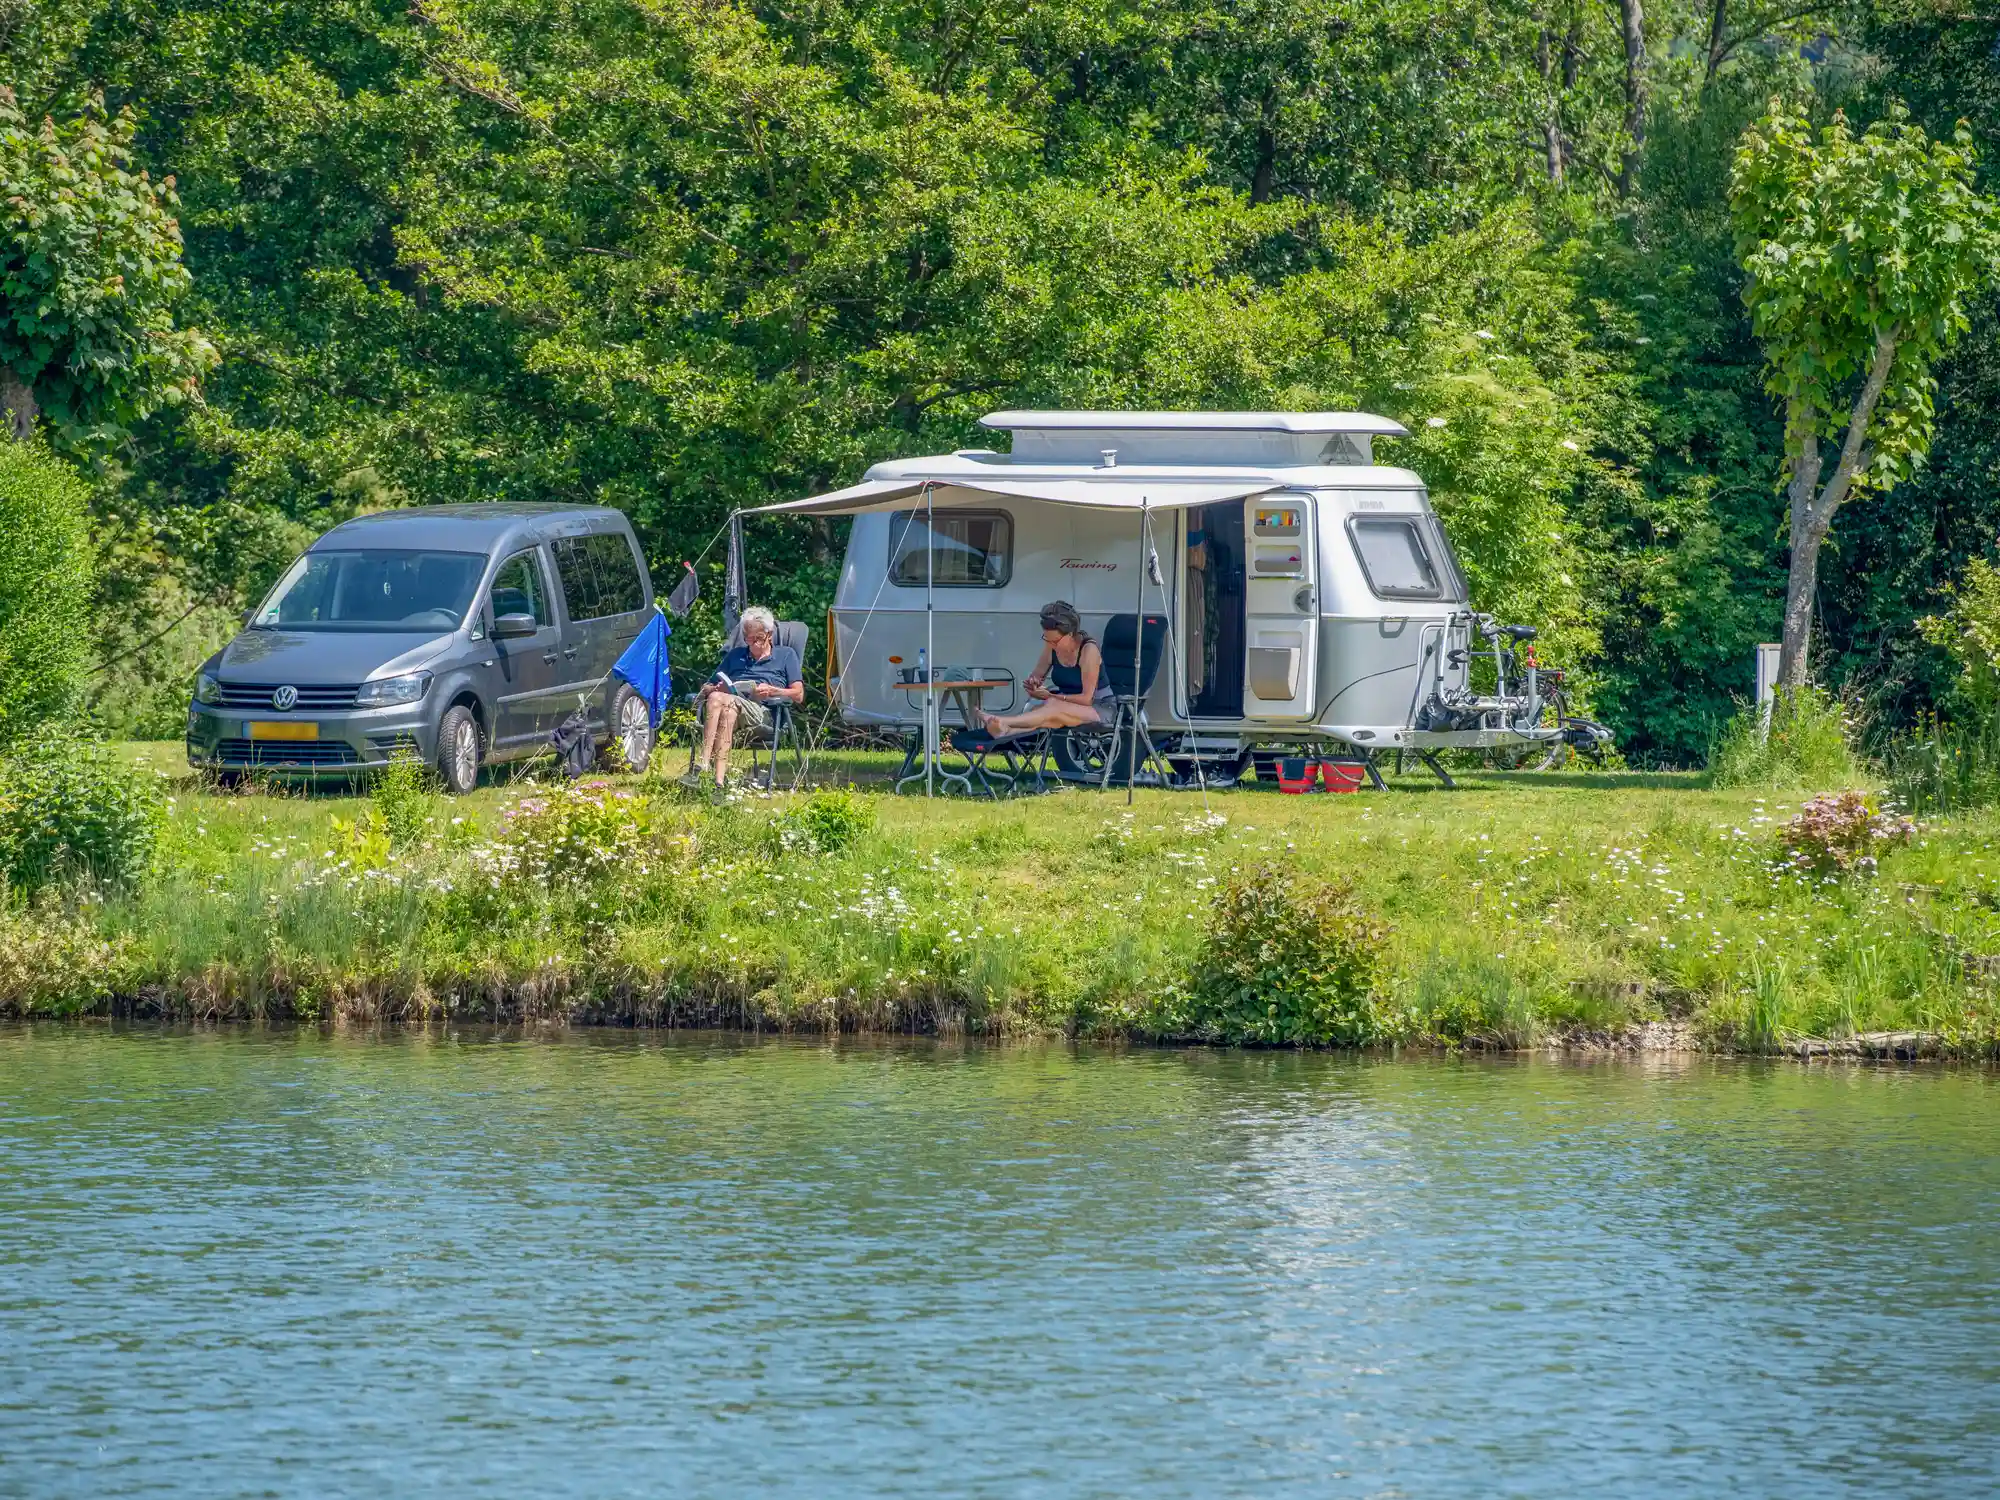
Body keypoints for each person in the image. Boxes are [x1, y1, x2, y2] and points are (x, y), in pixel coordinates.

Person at [683, 607, 803, 788]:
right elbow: (707, 686)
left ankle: (703, 762)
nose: (753, 644)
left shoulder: (786, 655)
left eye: (758, 639)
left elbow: (799, 694)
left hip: (764, 712)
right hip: (732, 706)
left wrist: (773, 690)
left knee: (718, 699)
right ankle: (719, 783)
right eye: (749, 639)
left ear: (769, 635)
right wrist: (716, 687)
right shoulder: (735, 656)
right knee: (726, 709)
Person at [979, 601, 1113, 739]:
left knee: (1052, 706)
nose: (1050, 644)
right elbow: (1037, 674)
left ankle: (1004, 721)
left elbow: (1087, 699)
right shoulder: (1052, 647)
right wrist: (1034, 683)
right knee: (1043, 711)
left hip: (1099, 708)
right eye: (1046, 639)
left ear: (1070, 634)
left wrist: (1050, 696)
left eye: (1054, 641)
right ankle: (1005, 732)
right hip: (1065, 705)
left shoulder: (1088, 650)